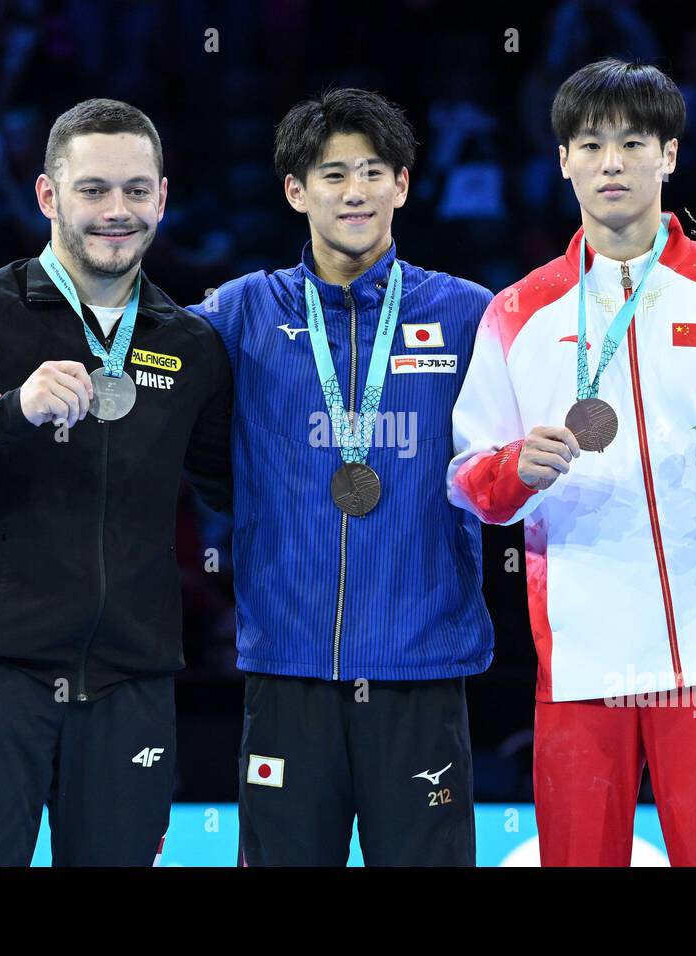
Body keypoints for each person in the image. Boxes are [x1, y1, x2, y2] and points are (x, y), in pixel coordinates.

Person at [447, 59, 696, 867]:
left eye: (633, 142)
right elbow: (469, 476)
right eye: (590, 144)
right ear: (563, 161)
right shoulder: (517, 311)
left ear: (670, 154)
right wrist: (516, 467)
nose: (611, 162)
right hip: (581, 650)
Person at [0, 98, 231, 866]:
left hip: (131, 686)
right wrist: (6, 407)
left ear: (162, 196)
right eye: (92, 190)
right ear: (48, 196)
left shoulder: (191, 345)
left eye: (134, 189)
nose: (115, 211)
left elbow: (238, 489)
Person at [189, 89, 493, 866]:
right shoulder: (239, 313)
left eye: (370, 171)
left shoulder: (470, 316)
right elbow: (149, 385)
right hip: (289, 667)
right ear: (296, 191)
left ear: (402, 181)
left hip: (420, 666)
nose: (353, 192)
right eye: (331, 174)